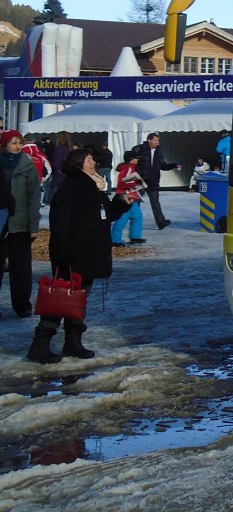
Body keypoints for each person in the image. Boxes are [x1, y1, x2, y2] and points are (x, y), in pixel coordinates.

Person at [26, 147, 135, 364]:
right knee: (60, 298)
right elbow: (61, 223)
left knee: (79, 300)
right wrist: (64, 253)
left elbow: (105, 215)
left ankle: (72, 343)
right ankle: (40, 346)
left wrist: (121, 203)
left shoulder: (92, 187)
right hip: (73, 254)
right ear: (77, 163)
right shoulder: (72, 187)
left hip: (89, 253)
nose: (93, 162)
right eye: (88, 159)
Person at [2, 130, 41, 320]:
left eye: (20, 142)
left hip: (20, 223)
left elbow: (34, 197)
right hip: (0, 222)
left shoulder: (27, 165)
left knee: (21, 268)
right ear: (4, 145)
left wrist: (33, 225)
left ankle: (22, 305)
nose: (17, 146)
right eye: (13, 143)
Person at [135, 133, 179, 230]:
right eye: (155, 140)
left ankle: (161, 222)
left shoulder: (159, 151)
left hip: (153, 180)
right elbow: (133, 162)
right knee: (135, 201)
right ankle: (130, 218)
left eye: (158, 141)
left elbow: (163, 165)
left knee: (155, 202)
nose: (157, 143)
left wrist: (174, 165)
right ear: (149, 140)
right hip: (140, 180)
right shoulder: (140, 149)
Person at [110, 151, 147, 246]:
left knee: (137, 217)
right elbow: (123, 183)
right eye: (136, 158)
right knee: (122, 219)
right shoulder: (128, 169)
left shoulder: (131, 168)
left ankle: (135, 236)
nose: (137, 159)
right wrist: (137, 183)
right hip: (125, 198)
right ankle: (115, 240)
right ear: (131, 159)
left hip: (132, 197)